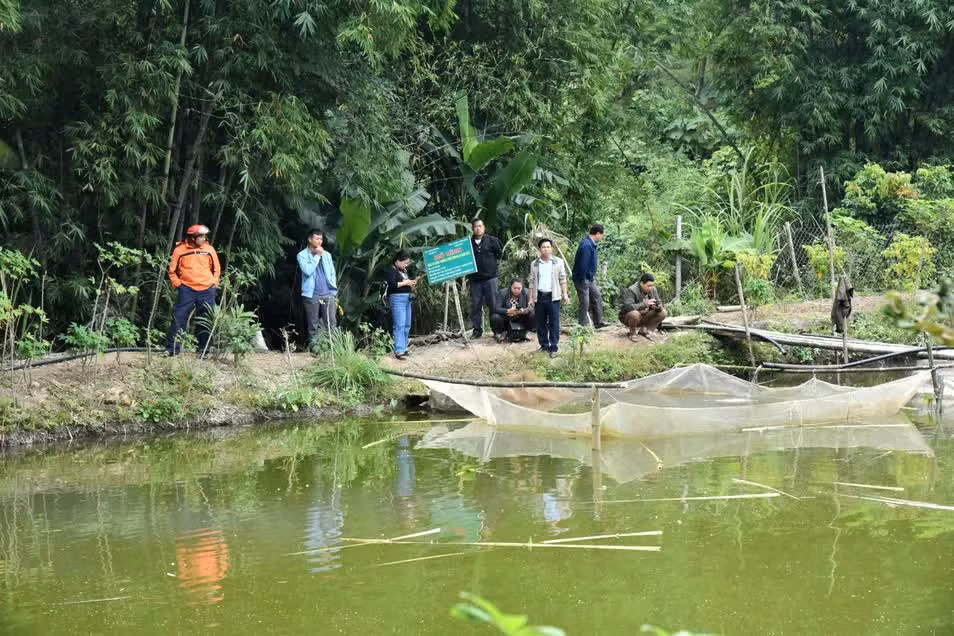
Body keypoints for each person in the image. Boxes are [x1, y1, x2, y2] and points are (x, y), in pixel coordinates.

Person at [166, 224, 221, 355]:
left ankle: (203, 350)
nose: (204, 239)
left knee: (205, 320)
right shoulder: (179, 250)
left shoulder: (209, 249)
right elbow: (172, 271)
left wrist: (214, 282)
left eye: (204, 236)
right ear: (192, 238)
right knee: (179, 318)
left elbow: (216, 269)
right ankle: (173, 349)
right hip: (187, 289)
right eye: (201, 236)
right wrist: (178, 284)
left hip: (207, 289)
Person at [528, 238, 569, 358]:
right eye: (543, 247)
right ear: (539, 249)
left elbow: (563, 279)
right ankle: (544, 345)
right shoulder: (534, 264)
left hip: (553, 297)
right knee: (540, 323)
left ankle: (554, 347)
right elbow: (531, 281)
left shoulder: (558, 262)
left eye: (548, 247)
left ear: (552, 248)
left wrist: (565, 294)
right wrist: (531, 298)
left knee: (554, 323)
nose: (545, 249)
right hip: (540, 296)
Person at [296, 228, 338, 347]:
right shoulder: (302, 255)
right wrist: (317, 256)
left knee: (331, 323)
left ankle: (333, 349)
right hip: (311, 294)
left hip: (328, 294)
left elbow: (332, 273)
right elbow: (308, 271)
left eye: (321, 239)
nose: (320, 241)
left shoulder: (327, 255)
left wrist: (333, 291)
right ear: (310, 239)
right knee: (312, 324)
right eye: (317, 238)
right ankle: (314, 349)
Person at [466, 218, 503, 338]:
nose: (478, 228)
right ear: (472, 229)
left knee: (493, 305)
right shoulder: (467, 244)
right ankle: (477, 331)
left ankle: (496, 330)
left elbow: (500, 254)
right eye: (475, 226)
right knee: (476, 306)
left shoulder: (492, 240)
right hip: (475, 280)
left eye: (480, 226)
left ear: (484, 227)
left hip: (490, 279)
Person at [571, 223, 608, 328]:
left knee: (596, 295)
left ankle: (598, 322)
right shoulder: (586, 245)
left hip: (589, 278)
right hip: (582, 278)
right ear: (597, 234)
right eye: (602, 235)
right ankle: (582, 326)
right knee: (585, 302)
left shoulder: (591, 244)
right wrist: (583, 279)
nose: (602, 237)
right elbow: (583, 264)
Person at [384, 250, 417, 360]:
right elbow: (392, 285)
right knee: (399, 324)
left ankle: (404, 348)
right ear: (398, 260)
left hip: (407, 298)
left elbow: (404, 283)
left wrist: (411, 283)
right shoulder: (391, 270)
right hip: (397, 299)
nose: (406, 265)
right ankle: (399, 350)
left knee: (407, 324)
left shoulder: (403, 270)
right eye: (405, 263)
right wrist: (406, 283)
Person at [619, 272, 667, 341]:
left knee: (663, 313)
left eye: (652, 285)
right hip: (628, 317)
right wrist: (645, 304)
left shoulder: (653, 289)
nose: (650, 288)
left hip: (644, 314)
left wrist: (658, 307)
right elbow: (628, 307)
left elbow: (659, 302)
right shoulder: (632, 290)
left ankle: (644, 330)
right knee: (634, 314)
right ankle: (632, 333)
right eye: (648, 286)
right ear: (641, 283)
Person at [490, 279, 534, 343]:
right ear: (511, 286)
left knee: (533, 314)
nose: (516, 290)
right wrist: (508, 310)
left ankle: (527, 332)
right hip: (507, 318)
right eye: (514, 288)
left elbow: (532, 307)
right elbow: (496, 308)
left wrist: (522, 311)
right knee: (495, 316)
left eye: (519, 288)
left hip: (521, 317)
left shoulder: (527, 292)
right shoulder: (502, 292)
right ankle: (501, 333)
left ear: (522, 288)